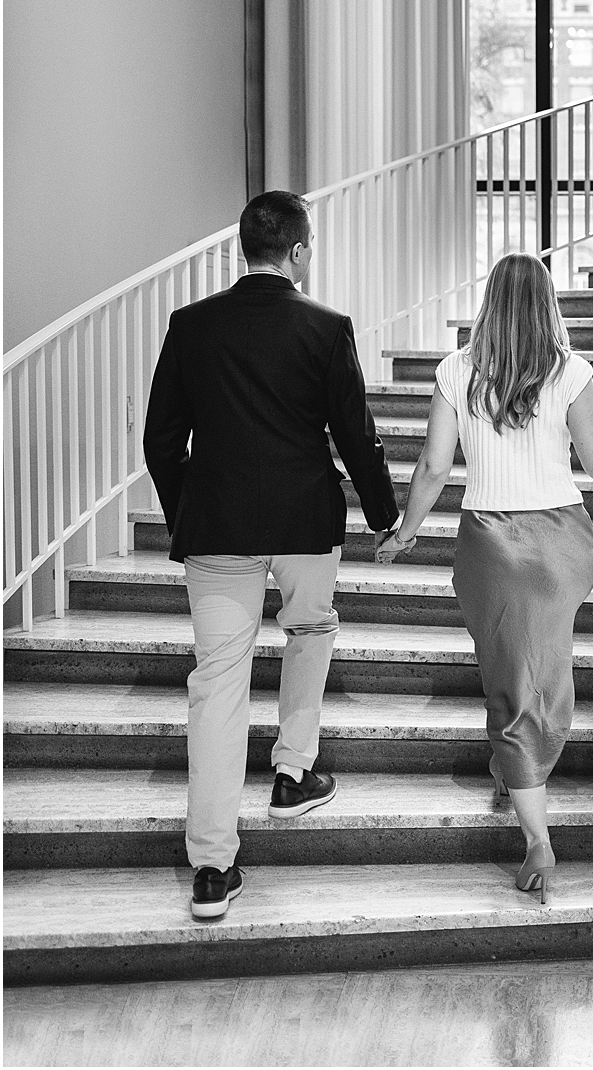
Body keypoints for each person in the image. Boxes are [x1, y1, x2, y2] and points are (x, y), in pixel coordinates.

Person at [143, 190, 399, 921]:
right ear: (296, 251)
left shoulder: (191, 327)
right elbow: (356, 435)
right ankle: (292, 773)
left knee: (218, 683)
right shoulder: (325, 328)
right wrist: (384, 517)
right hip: (303, 523)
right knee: (310, 629)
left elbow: (161, 440)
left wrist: (187, 512)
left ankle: (213, 870)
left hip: (217, 529)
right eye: (309, 248)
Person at [376, 251, 593, 903]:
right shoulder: (571, 371)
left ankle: (538, 839)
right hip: (561, 544)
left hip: (491, 546)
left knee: (510, 675)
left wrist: (406, 532)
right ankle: (512, 770)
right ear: (548, 304)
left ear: (489, 302)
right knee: (530, 669)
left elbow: (431, 467)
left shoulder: (456, 371)